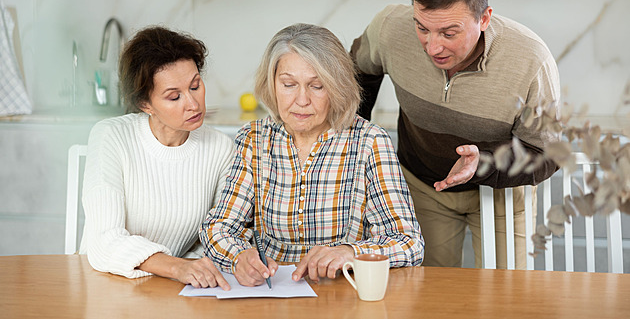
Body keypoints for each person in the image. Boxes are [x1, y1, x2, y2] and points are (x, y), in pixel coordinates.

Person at [350, 0, 561, 269]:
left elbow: (549, 153)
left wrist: (485, 163)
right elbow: (355, 75)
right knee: (427, 295)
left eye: (449, 33)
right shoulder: (390, 28)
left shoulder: (531, 61)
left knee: (508, 298)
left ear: (484, 18)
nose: (433, 47)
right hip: (421, 187)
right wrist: (352, 137)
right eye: (422, 28)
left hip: (501, 196)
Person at [200, 23, 424, 287]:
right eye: (288, 84)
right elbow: (219, 228)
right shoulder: (254, 138)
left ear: (336, 87)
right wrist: (239, 256)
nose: (302, 100)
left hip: (344, 293)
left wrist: (350, 253)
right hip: (271, 294)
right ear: (272, 84)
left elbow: (409, 243)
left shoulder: (369, 141)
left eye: (317, 86)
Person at [80, 25, 234, 289]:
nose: (193, 104)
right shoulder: (111, 137)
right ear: (145, 104)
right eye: (174, 97)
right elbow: (104, 240)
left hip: (172, 288)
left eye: (195, 86)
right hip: (105, 283)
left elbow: (217, 234)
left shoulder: (220, 148)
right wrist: (177, 266)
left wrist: (191, 267)